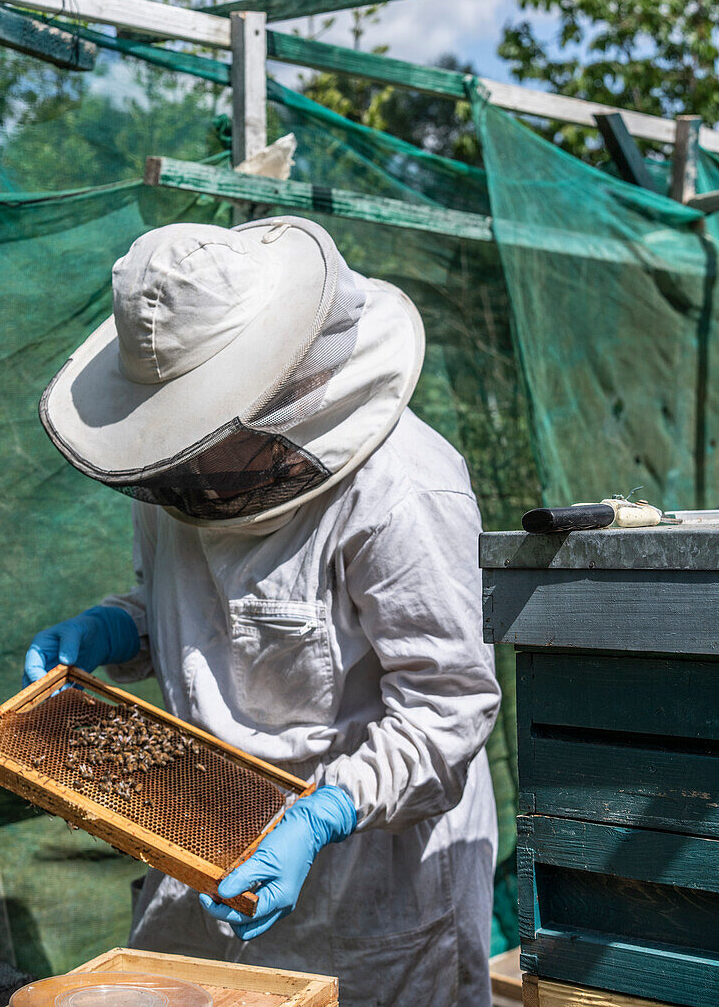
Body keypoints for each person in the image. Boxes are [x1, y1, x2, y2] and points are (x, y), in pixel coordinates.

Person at [26, 216, 501, 1006]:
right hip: (208, 822)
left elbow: (448, 706)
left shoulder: (403, 490)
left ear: (279, 392)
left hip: (375, 855)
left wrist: (322, 816)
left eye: (200, 433)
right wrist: (120, 626)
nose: (189, 468)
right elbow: (198, 608)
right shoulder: (180, 475)